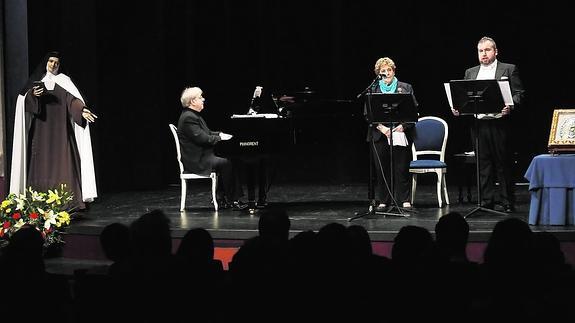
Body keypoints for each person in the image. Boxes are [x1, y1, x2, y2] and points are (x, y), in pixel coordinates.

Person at [9, 51, 98, 210]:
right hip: (41, 133)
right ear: (46, 62)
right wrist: (33, 95)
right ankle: (38, 204)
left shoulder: (65, 82)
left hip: (62, 133)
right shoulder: (37, 82)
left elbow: (72, 101)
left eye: (56, 62)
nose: (53, 64)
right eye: (50, 61)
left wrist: (82, 110)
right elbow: (24, 101)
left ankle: (68, 204)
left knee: (65, 163)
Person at [451, 36, 525, 213]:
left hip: (500, 124)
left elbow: (519, 93)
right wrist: (459, 108)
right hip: (479, 125)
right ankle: (486, 201)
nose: (484, 54)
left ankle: (507, 201)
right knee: (483, 164)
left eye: (487, 50)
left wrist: (511, 105)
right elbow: (464, 97)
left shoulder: (508, 69)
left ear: (495, 51)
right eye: (480, 51)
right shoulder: (470, 72)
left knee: (503, 163)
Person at [177, 86, 247, 210]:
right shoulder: (189, 117)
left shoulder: (193, 115)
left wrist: (220, 134)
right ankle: (232, 200)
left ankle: (222, 198)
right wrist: (221, 138)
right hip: (197, 160)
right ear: (193, 101)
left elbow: (208, 133)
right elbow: (203, 138)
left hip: (202, 156)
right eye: (200, 97)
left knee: (229, 160)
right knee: (226, 163)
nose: (203, 99)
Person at [366, 57, 418, 211]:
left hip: (400, 132)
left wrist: (403, 126)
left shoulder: (405, 87)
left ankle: (404, 200)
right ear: (378, 73)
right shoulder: (373, 89)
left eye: (389, 70)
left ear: (394, 71)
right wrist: (382, 128)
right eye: (383, 71)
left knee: (401, 168)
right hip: (380, 133)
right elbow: (367, 114)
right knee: (382, 169)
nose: (387, 73)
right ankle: (384, 200)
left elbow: (413, 111)